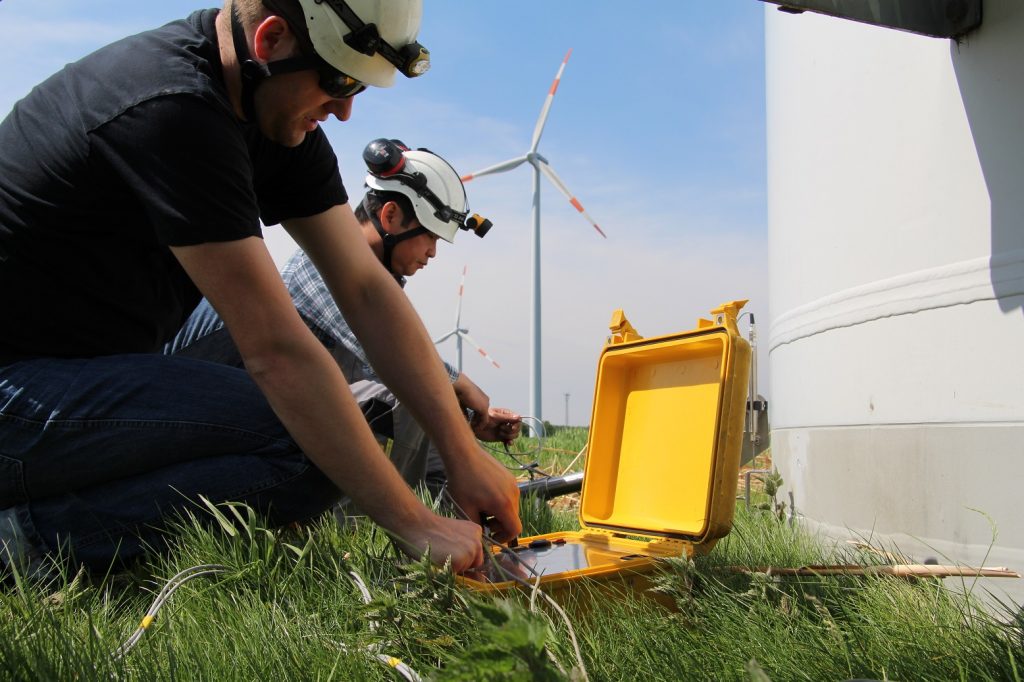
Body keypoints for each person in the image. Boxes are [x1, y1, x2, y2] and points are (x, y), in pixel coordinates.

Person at [0, 0, 520, 578]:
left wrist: (462, 451)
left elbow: (368, 291)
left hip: (71, 385)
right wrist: (414, 523)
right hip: (17, 392)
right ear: (271, 39)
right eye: (339, 80)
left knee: (326, 435)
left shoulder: (270, 115)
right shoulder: (172, 109)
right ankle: (25, 542)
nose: (346, 111)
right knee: (310, 439)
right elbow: (276, 351)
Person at [167, 139, 522, 506]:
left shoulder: (371, 286)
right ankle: (359, 534)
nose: (432, 252)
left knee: (425, 415)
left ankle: (457, 521)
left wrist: (466, 419)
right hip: (194, 425)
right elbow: (401, 361)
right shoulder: (324, 266)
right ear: (390, 217)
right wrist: (462, 385)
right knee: (404, 400)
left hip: (257, 421)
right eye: (430, 236)